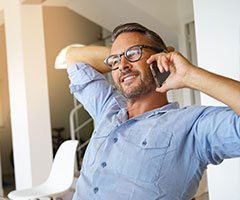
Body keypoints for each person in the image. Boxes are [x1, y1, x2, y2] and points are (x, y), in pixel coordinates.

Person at [66, 23, 240, 200]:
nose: (122, 66)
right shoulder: (108, 108)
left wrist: (190, 75)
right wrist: (125, 57)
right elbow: (73, 57)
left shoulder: (193, 126)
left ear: (163, 57)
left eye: (134, 52)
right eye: (115, 61)